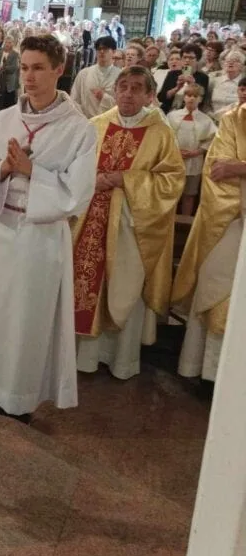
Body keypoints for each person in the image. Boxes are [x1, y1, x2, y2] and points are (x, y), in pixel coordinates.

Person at [0, 34, 97, 420]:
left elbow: (77, 194)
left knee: (28, 320)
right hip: (2, 230)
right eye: (24, 67)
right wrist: (4, 169)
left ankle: (19, 399)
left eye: (38, 68)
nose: (29, 77)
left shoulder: (79, 129)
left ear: (59, 69)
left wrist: (32, 171)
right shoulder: (4, 119)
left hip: (41, 237)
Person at [73, 67, 185, 380]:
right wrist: (92, 179)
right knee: (84, 283)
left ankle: (119, 360)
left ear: (150, 95)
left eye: (136, 88)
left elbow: (172, 181)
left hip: (130, 227)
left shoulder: (160, 132)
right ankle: (83, 357)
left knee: (123, 284)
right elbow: (74, 166)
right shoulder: (96, 124)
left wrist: (127, 180)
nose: (127, 93)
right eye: (122, 86)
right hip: (90, 221)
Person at [173, 101, 246, 381]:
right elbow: (217, 173)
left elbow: (231, 169)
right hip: (233, 223)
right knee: (216, 284)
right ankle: (211, 372)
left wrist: (240, 168)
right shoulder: (235, 119)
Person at [167, 84, 217, 215]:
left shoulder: (206, 120)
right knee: (171, 194)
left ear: (200, 99)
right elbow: (165, 136)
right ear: (184, 97)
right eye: (189, 95)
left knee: (189, 195)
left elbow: (212, 139)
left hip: (194, 162)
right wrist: (174, 150)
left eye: (195, 96)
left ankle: (185, 222)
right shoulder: (172, 116)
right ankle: (169, 221)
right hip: (173, 160)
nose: (192, 98)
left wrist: (197, 151)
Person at [70, 36, 122, 119]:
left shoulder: (120, 75)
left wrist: (104, 97)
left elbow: (122, 103)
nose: (102, 52)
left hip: (110, 121)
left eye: (105, 49)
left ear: (114, 52)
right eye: (99, 49)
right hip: (85, 120)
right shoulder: (84, 73)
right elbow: (74, 98)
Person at [158, 42, 209, 114]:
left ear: (197, 59)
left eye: (191, 58)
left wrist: (193, 85)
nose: (187, 60)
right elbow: (161, 98)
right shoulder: (172, 74)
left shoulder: (203, 77)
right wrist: (177, 88)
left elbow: (201, 103)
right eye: (184, 57)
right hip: (168, 110)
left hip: (188, 112)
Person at [206, 51, 245, 122]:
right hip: (213, 120)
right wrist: (211, 116)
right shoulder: (213, 81)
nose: (231, 63)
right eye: (228, 60)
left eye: (235, 60)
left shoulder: (244, 84)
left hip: (237, 121)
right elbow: (206, 103)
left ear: (242, 66)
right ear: (223, 64)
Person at [0, 36, 20, 109]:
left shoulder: (15, 54)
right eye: (6, 42)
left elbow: (14, 68)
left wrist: (2, 68)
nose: (7, 44)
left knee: (9, 102)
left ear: (13, 43)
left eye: (10, 42)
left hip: (9, 82)